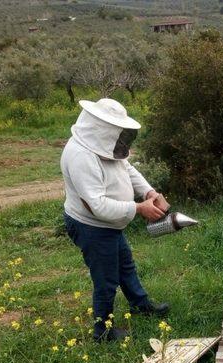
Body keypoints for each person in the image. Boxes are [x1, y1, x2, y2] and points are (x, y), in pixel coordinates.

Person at [61, 98, 169, 342]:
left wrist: (149, 192)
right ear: (103, 128)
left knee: (125, 265)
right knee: (106, 279)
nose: (122, 138)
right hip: (92, 227)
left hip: (109, 225)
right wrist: (139, 208)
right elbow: (97, 206)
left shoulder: (105, 146)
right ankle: (103, 331)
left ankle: (140, 305)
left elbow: (127, 169)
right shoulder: (81, 156)